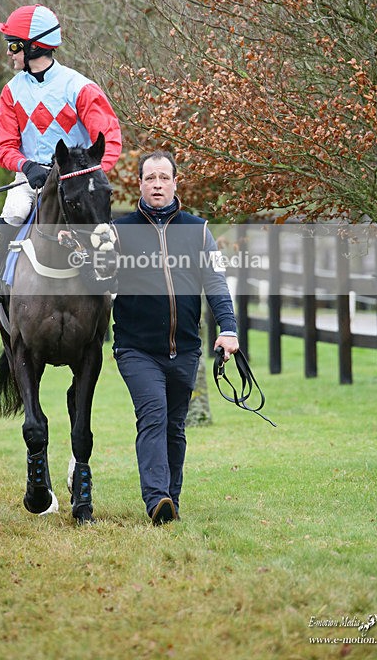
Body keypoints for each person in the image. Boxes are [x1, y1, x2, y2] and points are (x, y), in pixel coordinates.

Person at [112, 150, 239, 525]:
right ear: (139, 184)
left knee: (174, 427)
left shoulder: (198, 230)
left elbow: (215, 282)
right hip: (136, 349)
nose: (156, 184)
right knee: (153, 416)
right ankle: (156, 499)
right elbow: (96, 278)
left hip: (185, 349)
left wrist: (228, 328)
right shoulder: (119, 232)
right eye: (149, 178)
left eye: (163, 178)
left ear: (174, 183)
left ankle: (171, 500)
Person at [0, 3, 122, 303]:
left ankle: (115, 282)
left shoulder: (80, 88)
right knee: (16, 211)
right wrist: (26, 165)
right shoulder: (11, 91)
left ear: (34, 48)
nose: (9, 53)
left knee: (98, 222)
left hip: (77, 176)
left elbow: (109, 138)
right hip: (31, 174)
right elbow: (3, 146)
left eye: (13, 45)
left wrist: (90, 176)